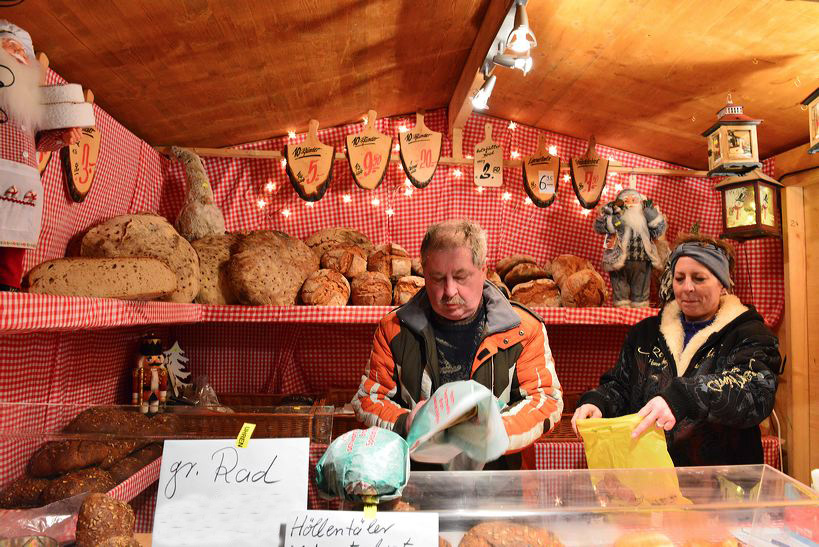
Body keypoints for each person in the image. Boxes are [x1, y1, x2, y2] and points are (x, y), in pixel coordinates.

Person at [352, 219, 563, 469]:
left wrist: (493, 429)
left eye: (461, 277)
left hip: (497, 480)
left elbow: (545, 399)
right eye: (437, 278)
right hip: (417, 479)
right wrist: (406, 422)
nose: (449, 290)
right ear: (424, 273)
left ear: (483, 270)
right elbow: (369, 398)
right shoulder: (394, 329)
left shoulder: (522, 329)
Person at [571, 233, 780, 466]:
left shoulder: (749, 334)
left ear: (722, 283)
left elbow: (755, 391)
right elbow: (621, 386)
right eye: (680, 278)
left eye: (699, 278)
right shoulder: (646, 334)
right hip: (651, 476)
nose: (687, 288)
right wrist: (598, 402)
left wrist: (684, 397)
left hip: (722, 480)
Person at [0, 20, 81, 292]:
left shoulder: (30, 105)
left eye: (22, 56)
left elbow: (38, 141)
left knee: (15, 239)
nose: (17, 60)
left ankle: (7, 285)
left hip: (25, 181)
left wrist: (62, 137)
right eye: (11, 53)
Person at [594, 187, 667, 308]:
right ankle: (621, 304)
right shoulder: (615, 216)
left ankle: (640, 303)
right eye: (626, 201)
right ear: (620, 204)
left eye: (634, 200)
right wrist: (614, 219)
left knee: (641, 286)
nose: (631, 203)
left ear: (640, 202)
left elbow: (658, 230)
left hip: (643, 260)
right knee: (619, 283)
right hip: (618, 260)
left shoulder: (645, 217)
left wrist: (650, 213)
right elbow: (600, 227)